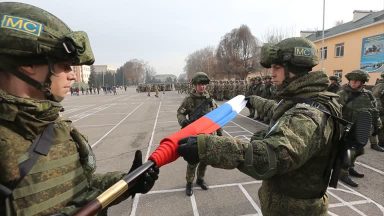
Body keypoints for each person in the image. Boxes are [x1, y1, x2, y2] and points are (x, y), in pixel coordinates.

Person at [0, 3, 158, 216]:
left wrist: (127, 182)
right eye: (64, 66)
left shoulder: (58, 128)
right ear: (28, 64)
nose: (73, 75)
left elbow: (86, 187)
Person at [177, 37, 343, 215]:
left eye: (277, 67)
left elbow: (271, 156)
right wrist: (253, 100)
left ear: (293, 70)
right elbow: (280, 110)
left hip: (296, 209)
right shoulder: (302, 100)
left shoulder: (309, 115)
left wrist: (207, 146)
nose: (272, 73)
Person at [177, 72, 223, 196]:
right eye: (199, 84)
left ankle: (200, 179)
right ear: (195, 85)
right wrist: (183, 121)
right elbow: (180, 112)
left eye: (203, 84)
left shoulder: (210, 100)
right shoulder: (189, 100)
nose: (202, 87)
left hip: (209, 135)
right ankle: (189, 183)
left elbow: (217, 117)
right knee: (192, 161)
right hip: (194, 135)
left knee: (205, 160)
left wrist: (220, 133)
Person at [337, 70, 383, 187]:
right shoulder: (343, 93)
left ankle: (350, 168)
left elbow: (374, 110)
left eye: (356, 81)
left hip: (362, 127)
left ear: (362, 83)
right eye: (352, 80)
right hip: (346, 127)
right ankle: (343, 173)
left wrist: (377, 125)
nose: (353, 83)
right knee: (347, 151)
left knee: (357, 150)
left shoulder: (368, 94)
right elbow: (335, 110)